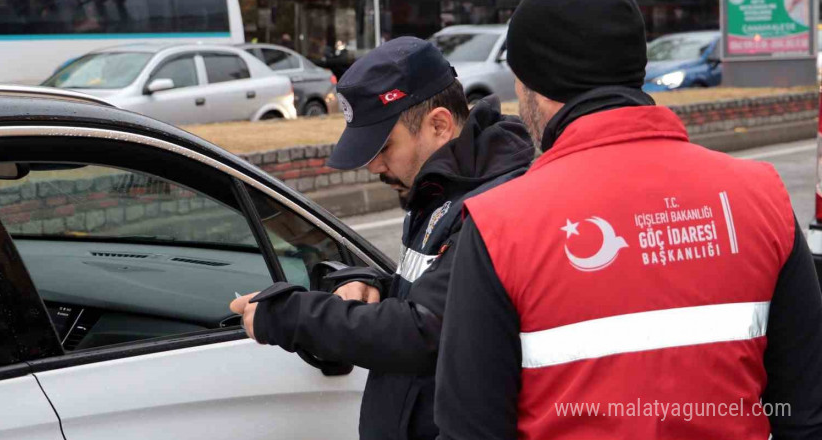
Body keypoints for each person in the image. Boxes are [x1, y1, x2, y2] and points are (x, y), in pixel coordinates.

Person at [435, 0, 822, 439]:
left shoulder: (497, 225)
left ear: (536, 87)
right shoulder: (761, 196)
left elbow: (470, 429)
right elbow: (806, 413)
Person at [231, 37, 532, 440]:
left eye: (384, 146)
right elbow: (442, 296)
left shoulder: (493, 200)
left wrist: (292, 316)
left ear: (439, 125)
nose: (374, 165)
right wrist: (377, 288)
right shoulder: (439, 189)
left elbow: (424, 333)